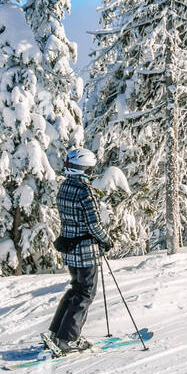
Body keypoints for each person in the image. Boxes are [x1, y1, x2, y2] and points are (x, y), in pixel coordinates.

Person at [43, 147, 114, 355]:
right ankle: (67, 339)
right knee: (85, 293)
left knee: (75, 290)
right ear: (85, 169)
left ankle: (57, 333)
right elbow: (94, 225)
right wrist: (106, 240)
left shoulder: (65, 187)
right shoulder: (85, 191)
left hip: (70, 249)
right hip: (85, 252)